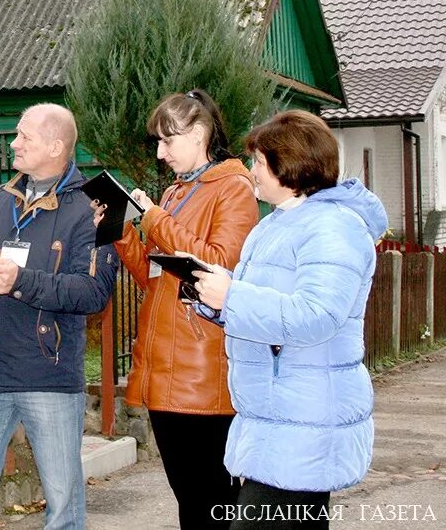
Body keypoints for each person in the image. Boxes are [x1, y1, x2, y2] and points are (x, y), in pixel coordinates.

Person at [194, 110, 385, 528]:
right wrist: (217, 295)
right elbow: (267, 306)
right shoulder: (275, 224)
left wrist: (234, 296)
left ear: (291, 165)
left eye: (260, 162)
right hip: (277, 417)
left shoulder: (334, 227)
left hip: (305, 418)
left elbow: (318, 315)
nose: (252, 172)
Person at [0, 103, 118, 530]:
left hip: (49, 378)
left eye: (25, 136)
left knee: (63, 509)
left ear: (56, 145)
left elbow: (94, 291)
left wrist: (20, 280)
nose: (13, 143)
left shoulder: (96, 208)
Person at [95, 89, 259, 530]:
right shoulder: (173, 194)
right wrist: (119, 228)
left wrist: (153, 220)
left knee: (209, 498)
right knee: (191, 497)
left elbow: (220, 263)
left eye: (168, 140)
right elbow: (152, 273)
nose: (161, 152)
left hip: (202, 370)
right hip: (165, 366)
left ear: (201, 133)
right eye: (159, 142)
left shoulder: (234, 188)